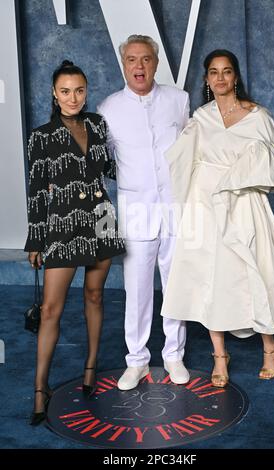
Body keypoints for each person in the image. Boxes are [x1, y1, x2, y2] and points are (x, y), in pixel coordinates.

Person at [161, 49, 274, 387]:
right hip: (204, 204)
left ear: (236, 76)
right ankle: (219, 355)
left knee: (256, 272)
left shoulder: (258, 116)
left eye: (226, 71)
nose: (220, 78)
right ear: (207, 79)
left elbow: (268, 166)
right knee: (211, 278)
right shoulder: (201, 118)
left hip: (244, 204)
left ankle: (271, 346)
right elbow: (184, 163)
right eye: (213, 72)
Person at [24, 60, 125, 425]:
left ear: (86, 90)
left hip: (100, 220)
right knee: (51, 309)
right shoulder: (41, 136)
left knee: (95, 296)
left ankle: (90, 367)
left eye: (79, 90)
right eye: (65, 91)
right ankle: (40, 387)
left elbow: (113, 168)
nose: (73, 98)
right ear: (54, 93)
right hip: (62, 226)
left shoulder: (98, 124)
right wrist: (35, 239)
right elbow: (36, 193)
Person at [98, 35, 190, 390]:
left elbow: (187, 147)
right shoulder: (108, 109)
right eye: (132, 60)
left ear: (156, 63)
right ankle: (136, 361)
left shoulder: (178, 100)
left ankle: (173, 355)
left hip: (176, 207)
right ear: (124, 65)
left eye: (146, 59)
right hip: (135, 210)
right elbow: (103, 159)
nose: (139, 66)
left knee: (175, 284)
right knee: (137, 290)